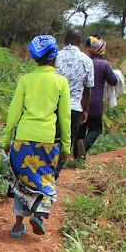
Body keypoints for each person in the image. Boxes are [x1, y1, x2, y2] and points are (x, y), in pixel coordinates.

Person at [2, 35, 71, 238]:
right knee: (45, 178)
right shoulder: (61, 82)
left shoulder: (26, 80)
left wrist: (7, 139)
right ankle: (39, 215)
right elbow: (65, 118)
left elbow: (14, 112)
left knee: (20, 180)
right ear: (54, 57)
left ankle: (17, 226)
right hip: (47, 140)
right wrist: (66, 145)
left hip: (23, 138)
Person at [55, 28, 94, 165]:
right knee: (66, 145)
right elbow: (87, 90)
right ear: (80, 42)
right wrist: (85, 110)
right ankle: (55, 175)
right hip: (74, 109)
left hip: (54, 106)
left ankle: (45, 175)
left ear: (65, 41)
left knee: (51, 142)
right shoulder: (87, 61)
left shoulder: (55, 57)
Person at [77, 36, 118, 158]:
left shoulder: (84, 61)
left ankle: (77, 156)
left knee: (80, 129)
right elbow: (113, 81)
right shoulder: (104, 64)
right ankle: (84, 144)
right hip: (95, 104)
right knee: (96, 129)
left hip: (80, 102)